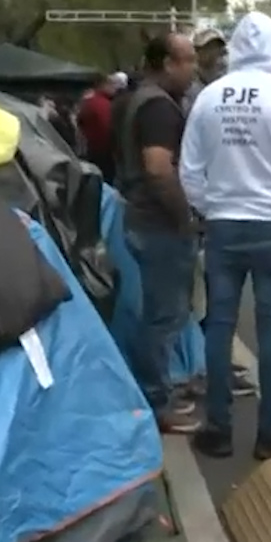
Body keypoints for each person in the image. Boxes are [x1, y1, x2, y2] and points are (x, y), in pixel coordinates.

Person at [179, 12, 271, 460]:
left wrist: (213, 206)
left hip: (223, 227)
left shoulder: (208, 99)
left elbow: (188, 170)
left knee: (219, 326)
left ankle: (219, 428)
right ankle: (270, 432)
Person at [113, 32, 202, 434]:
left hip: (141, 219)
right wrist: (184, 215)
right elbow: (158, 167)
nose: (194, 69)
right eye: (188, 61)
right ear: (167, 63)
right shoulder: (159, 109)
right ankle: (157, 400)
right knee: (164, 317)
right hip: (159, 224)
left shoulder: (135, 100)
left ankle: (159, 389)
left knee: (158, 315)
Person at [78, 73, 120, 184]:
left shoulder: (88, 102)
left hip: (93, 149)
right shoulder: (102, 104)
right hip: (105, 151)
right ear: (102, 85)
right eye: (110, 84)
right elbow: (107, 126)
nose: (114, 87)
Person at [185, 28, 228, 113]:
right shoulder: (188, 85)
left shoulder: (226, 82)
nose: (215, 53)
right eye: (210, 48)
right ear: (197, 52)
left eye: (219, 49)